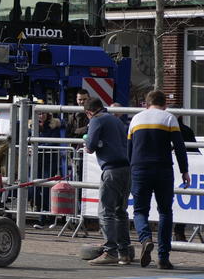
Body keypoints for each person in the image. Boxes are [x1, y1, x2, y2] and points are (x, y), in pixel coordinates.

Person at [128, 90, 191, 269]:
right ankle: (163, 257)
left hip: (139, 169)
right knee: (165, 211)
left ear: (146, 104)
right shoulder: (169, 118)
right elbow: (179, 147)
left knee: (140, 211)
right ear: (165, 105)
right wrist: (184, 171)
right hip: (163, 169)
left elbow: (129, 148)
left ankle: (145, 238)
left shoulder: (136, 119)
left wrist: (131, 169)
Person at [83, 97, 131, 265]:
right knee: (120, 212)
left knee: (105, 212)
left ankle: (110, 251)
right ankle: (124, 252)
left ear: (89, 112)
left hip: (111, 169)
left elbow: (90, 146)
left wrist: (87, 141)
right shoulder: (116, 120)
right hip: (126, 168)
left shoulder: (97, 120)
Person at [33, 111, 61, 228]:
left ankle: (43, 218)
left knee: (45, 189)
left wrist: (36, 145)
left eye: (43, 113)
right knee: (34, 189)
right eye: (39, 113)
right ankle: (44, 214)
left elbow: (53, 141)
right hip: (36, 161)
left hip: (49, 161)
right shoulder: (32, 126)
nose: (41, 115)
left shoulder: (54, 126)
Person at [173, 114, 197, 242]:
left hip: (170, 169)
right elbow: (195, 150)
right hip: (184, 170)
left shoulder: (167, 130)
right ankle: (179, 231)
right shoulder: (187, 130)